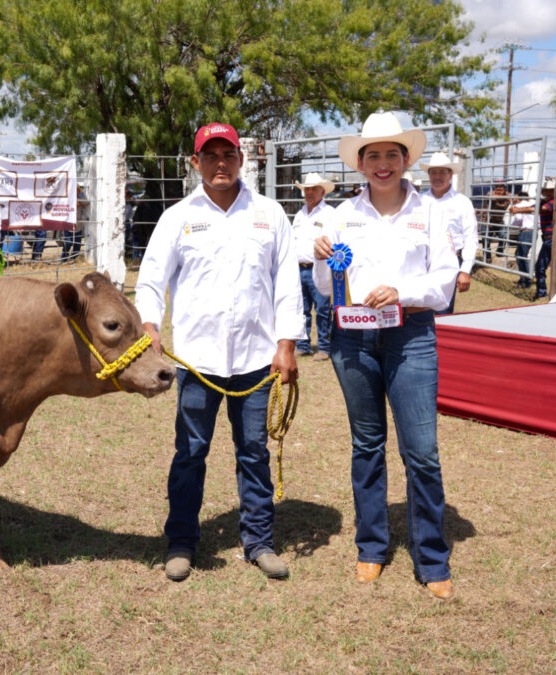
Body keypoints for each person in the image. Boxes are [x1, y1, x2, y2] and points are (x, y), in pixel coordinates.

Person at [136, 122, 303, 582]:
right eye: (209, 156)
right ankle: (182, 541)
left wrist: (287, 344)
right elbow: (151, 279)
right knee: (190, 452)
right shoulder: (178, 217)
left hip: (256, 358)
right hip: (197, 360)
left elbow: (288, 284)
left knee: (253, 451)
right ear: (196, 163)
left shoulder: (270, 214)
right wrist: (149, 325)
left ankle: (259, 541)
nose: (220, 163)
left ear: (241, 159)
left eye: (227, 154)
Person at [311, 111, 458, 600]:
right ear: (359, 163)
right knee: (367, 445)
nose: (382, 163)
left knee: (422, 451)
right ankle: (371, 548)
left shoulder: (430, 213)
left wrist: (403, 291)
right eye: (372, 155)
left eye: (391, 154)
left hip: (410, 334)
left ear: (405, 159)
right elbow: (325, 288)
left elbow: (443, 281)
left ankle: (432, 557)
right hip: (352, 339)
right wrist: (321, 259)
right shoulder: (340, 215)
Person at [420, 152, 477, 314]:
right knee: (418, 309)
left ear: (450, 174)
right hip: (422, 261)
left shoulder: (462, 202)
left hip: (450, 261)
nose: (437, 176)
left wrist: (465, 270)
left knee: (442, 310)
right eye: (433, 172)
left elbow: (470, 237)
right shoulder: (419, 201)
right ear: (429, 174)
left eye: (442, 172)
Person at [291, 172, 335, 359]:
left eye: (313, 189)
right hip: (299, 267)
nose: (309, 192)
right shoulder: (300, 214)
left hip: (319, 268)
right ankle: (303, 344)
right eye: (307, 189)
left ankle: (324, 347)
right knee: (302, 309)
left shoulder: (330, 214)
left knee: (323, 309)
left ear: (322, 191)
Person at [508, 191, 536, 288]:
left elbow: (518, 220)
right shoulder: (532, 204)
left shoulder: (519, 205)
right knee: (521, 256)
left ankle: (526, 281)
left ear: (519, 198)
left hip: (525, 232)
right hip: (532, 231)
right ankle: (524, 279)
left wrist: (512, 225)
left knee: (521, 257)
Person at [533, 182, 555, 299]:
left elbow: (543, 209)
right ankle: (541, 292)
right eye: (544, 190)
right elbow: (534, 208)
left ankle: (543, 292)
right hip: (547, 238)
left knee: (548, 267)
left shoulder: (554, 202)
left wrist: (518, 209)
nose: (546, 193)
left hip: (552, 238)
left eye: (548, 190)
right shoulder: (545, 202)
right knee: (540, 267)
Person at [483, 183, 510, 261]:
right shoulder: (490, 193)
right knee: (486, 239)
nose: (498, 192)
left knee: (504, 236)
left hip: (499, 221)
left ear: (505, 190)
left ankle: (499, 251)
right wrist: (507, 198)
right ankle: (487, 256)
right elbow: (493, 197)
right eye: (497, 190)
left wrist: (509, 197)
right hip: (488, 220)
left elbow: (514, 197)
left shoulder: (508, 195)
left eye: (501, 190)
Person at [62, 187, 87, 260]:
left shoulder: (80, 197)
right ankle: (64, 258)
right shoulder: (66, 197)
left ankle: (74, 259)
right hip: (68, 222)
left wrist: (81, 195)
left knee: (77, 243)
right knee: (68, 242)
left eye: (77, 190)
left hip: (78, 223)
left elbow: (87, 202)